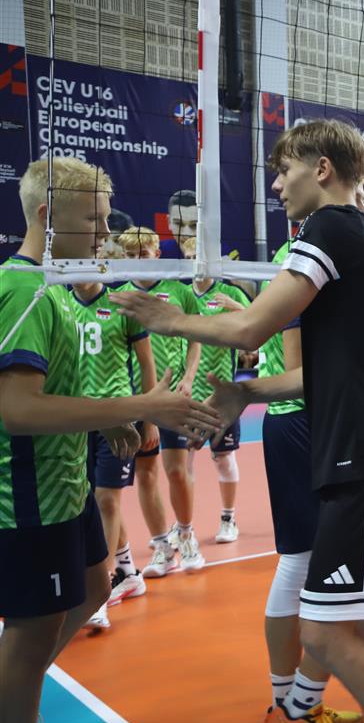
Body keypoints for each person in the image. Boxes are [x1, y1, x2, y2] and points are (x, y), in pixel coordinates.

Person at [113, 118, 364, 723]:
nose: (277, 185)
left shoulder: (330, 229)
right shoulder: (361, 237)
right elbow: (320, 372)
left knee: (326, 631)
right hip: (358, 457)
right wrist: (245, 391)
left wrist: (167, 317)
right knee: (363, 623)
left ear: (322, 169)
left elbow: (252, 327)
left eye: (285, 170)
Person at [0, 157, 220, 723]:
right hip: (28, 493)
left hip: (66, 481)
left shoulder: (60, 289)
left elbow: (57, 389)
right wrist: (141, 406)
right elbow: (17, 408)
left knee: (98, 585)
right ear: (47, 216)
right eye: (94, 219)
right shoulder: (23, 288)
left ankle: (13, 710)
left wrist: (112, 417)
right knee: (31, 632)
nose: (105, 233)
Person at [255, 235, 364, 723]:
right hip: (302, 423)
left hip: (316, 424)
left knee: (315, 562)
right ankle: (292, 709)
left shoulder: (323, 253)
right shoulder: (306, 257)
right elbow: (300, 372)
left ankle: (295, 704)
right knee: (312, 563)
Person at [67, 261, 158, 630]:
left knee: (107, 499)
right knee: (88, 500)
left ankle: (99, 595)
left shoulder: (121, 305)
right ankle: (127, 570)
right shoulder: (60, 303)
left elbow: (147, 364)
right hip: (76, 418)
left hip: (119, 418)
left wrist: (149, 417)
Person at [114, 227, 198, 577]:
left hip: (172, 396)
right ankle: (162, 548)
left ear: (156, 254)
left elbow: (195, 338)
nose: (137, 261)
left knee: (176, 471)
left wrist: (189, 378)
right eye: (130, 256)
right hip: (135, 398)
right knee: (146, 474)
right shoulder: (119, 297)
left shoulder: (179, 291)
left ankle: (186, 534)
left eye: (143, 254)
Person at [184, 246, 250, 544]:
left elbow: (258, 323)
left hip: (222, 395)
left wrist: (236, 307)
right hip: (187, 394)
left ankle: (228, 517)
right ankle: (183, 526)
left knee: (222, 458)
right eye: (190, 259)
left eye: (199, 258)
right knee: (182, 462)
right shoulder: (181, 294)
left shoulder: (229, 293)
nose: (195, 264)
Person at [157, 189, 196, 260]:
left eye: (194, 225)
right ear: (169, 222)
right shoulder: (155, 251)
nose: (186, 234)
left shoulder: (217, 253)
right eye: (179, 224)